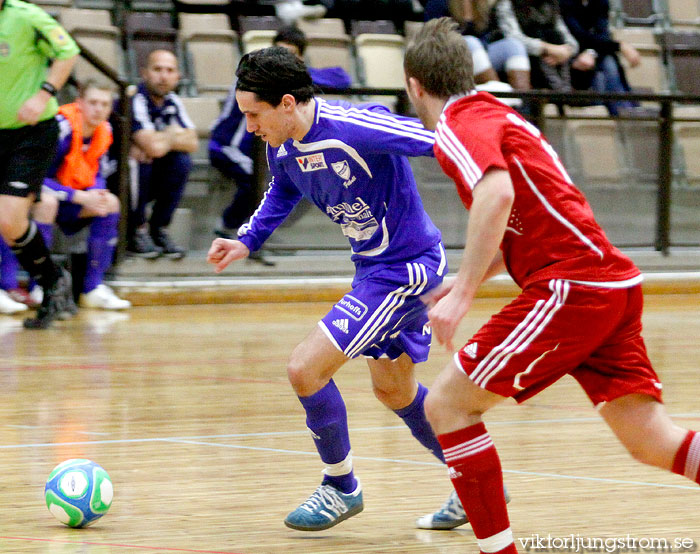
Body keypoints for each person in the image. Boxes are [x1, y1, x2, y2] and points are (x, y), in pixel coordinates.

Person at [404, 18, 700, 553]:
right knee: (652, 441)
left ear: (414, 85)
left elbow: (495, 197)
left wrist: (466, 292)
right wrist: (464, 279)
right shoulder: (495, 111)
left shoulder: (456, 124)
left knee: (446, 406)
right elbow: (516, 222)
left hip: (572, 287)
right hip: (609, 284)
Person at [207, 46, 449, 532]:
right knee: (396, 393)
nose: (251, 126)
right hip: (372, 270)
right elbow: (284, 188)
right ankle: (475, 477)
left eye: (255, 115)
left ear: (288, 103)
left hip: (406, 270)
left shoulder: (356, 127)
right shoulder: (283, 142)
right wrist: (246, 241)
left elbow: (438, 141)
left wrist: (504, 178)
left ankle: (341, 487)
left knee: (304, 368)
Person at [209, 26, 352, 264]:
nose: (282, 63)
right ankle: (228, 228)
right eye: (280, 55)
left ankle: (259, 235)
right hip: (227, 147)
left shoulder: (289, 91)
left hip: (263, 153)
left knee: (304, 181)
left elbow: (343, 77)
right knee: (256, 179)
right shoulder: (250, 79)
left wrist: (294, 77)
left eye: (291, 58)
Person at [0, 0, 79, 329]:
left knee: (9, 218)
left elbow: (68, 51)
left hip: (30, 134)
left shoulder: (26, 16)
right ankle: (53, 281)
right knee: (9, 224)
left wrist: (43, 94)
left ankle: (51, 279)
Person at [31, 80, 130, 311]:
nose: (98, 109)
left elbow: (98, 172)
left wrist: (96, 191)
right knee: (47, 203)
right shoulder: (60, 127)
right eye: (93, 102)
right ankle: (40, 285)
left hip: (70, 197)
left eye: (104, 104)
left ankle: (93, 288)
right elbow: (36, 178)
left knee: (110, 203)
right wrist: (77, 196)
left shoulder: (104, 130)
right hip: (38, 195)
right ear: (80, 103)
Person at [127, 49, 197, 260]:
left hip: (152, 173)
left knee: (182, 161)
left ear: (177, 76)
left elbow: (192, 142)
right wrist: (173, 134)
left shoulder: (173, 101)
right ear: (144, 72)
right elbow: (153, 148)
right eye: (157, 69)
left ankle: (158, 229)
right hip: (119, 177)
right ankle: (135, 230)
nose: (163, 76)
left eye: (169, 70)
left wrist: (162, 139)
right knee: (140, 160)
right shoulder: (135, 98)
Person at [560, 0, 640, 115]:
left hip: (593, 53)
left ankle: (622, 113)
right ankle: (623, 112)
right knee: (606, 67)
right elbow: (578, 35)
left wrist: (592, 52)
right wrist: (620, 46)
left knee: (608, 64)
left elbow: (602, 33)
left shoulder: (600, 2)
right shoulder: (564, 3)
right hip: (567, 52)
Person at [495, 0, 579, 91]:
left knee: (555, 36)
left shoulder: (550, 4)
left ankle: (563, 91)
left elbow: (571, 42)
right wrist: (546, 48)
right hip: (522, 57)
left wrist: (566, 51)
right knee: (536, 34)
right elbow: (513, 38)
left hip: (555, 57)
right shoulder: (507, 4)